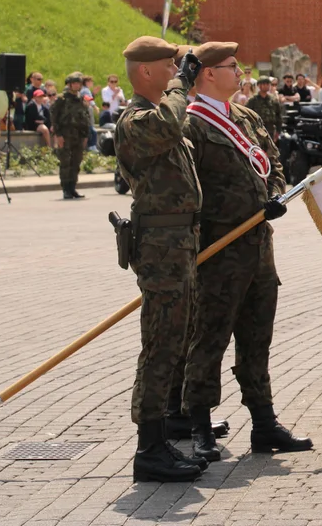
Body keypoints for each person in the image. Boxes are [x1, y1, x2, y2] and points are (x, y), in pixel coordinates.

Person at [182, 41, 312, 462]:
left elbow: (272, 163)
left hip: (258, 250)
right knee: (209, 339)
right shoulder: (190, 126)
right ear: (206, 74)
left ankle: (264, 422)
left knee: (257, 339)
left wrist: (274, 195)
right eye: (231, 67)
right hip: (218, 252)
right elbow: (188, 190)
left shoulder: (249, 117)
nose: (240, 73)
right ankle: (199, 425)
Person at [114, 35, 207, 483]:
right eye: (169, 67)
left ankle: (160, 436)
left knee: (175, 342)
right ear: (146, 72)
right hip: (160, 247)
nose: (177, 74)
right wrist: (181, 87)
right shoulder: (136, 120)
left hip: (179, 242)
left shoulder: (159, 114)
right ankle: (148, 448)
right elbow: (171, 125)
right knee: (159, 345)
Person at [50, 72, 91, 199]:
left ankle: (73, 188)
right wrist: (58, 135)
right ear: (69, 84)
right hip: (66, 135)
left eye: (78, 83)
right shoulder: (61, 99)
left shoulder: (81, 99)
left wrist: (85, 136)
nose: (76, 85)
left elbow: (85, 119)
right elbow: (54, 117)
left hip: (78, 136)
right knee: (65, 163)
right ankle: (66, 189)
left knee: (76, 162)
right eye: (74, 83)